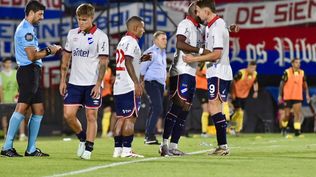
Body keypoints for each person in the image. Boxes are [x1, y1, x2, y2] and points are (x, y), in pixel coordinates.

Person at [1, 0, 61, 157]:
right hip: (28, 72)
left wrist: (47, 50)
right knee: (21, 107)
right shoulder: (26, 30)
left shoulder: (28, 28)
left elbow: (33, 54)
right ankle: (7, 147)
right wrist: (50, 50)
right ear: (32, 12)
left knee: (39, 110)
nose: (42, 17)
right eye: (40, 14)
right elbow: (32, 56)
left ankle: (31, 149)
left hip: (32, 72)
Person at [159, 1, 211, 156]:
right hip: (180, 71)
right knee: (177, 105)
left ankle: (174, 146)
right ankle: (164, 145)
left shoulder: (198, 29)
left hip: (191, 72)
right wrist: (200, 50)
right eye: (202, 11)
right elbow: (180, 43)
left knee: (185, 108)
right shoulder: (185, 23)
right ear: (196, 11)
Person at [59, 3, 109, 160]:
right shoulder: (72, 34)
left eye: (84, 20)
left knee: (91, 116)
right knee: (68, 115)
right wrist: (62, 80)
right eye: (79, 19)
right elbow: (66, 58)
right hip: (74, 83)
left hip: (92, 84)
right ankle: (82, 137)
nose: (81, 23)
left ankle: (89, 147)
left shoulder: (101, 36)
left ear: (92, 18)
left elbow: (103, 62)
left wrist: (98, 83)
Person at [183, 0, 232, 156]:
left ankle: (223, 146)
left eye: (198, 11)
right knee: (214, 107)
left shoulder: (217, 27)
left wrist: (194, 59)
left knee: (214, 106)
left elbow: (217, 54)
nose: (197, 14)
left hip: (218, 71)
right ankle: (222, 145)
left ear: (207, 11)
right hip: (215, 71)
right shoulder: (214, 25)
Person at [112, 16, 149, 158]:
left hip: (119, 85)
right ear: (135, 28)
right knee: (130, 118)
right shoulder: (132, 42)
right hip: (128, 85)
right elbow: (127, 61)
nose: (143, 30)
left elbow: (127, 60)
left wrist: (140, 59)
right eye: (142, 27)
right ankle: (127, 150)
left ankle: (118, 150)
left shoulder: (122, 41)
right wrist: (136, 82)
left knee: (121, 118)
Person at [140, 31, 167, 145]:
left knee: (154, 108)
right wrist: (140, 82)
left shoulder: (162, 52)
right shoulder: (150, 52)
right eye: (162, 39)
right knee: (157, 108)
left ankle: (148, 136)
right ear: (155, 40)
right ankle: (150, 134)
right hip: (151, 83)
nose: (165, 41)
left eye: (166, 39)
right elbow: (141, 67)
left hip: (159, 84)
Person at [278, 58, 310, 137]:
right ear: (292, 64)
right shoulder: (287, 72)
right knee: (287, 115)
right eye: (296, 62)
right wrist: (280, 95)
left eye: (299, 63)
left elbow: (305, 85)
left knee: (297, 114)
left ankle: (297, 131)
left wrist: (307, 94)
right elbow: (281, 84)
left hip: (297, 96)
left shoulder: (302, 73)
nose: (298, 64)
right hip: (288, 97)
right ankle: (284, 128)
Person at [0, 58, 27, 141]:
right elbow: (0, 88)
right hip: (5, 100)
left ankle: (22, 134)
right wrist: (2, 100)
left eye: (10, 63)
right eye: (7, 63)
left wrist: (19, 95)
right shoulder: (1, 74)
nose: (8, 64)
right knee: (4, 118)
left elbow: (20, 85)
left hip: (16, 100)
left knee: (20, 117)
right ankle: (6, 135)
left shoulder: (16, 73)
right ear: (3, 64)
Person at [230, 61, 258, 135]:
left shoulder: (255, 74)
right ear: (248, 67)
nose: (253, 70)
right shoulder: (240, 73)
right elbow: (232, 82)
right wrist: (232, 93)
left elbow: (255, 82)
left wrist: (256, 91)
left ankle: (233, 128)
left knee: (239, 113)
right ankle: (237, 129)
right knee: (240, 112)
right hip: (236, 95)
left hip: (244, 96)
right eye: (251, 68)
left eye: (254, 68)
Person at [195, 62, 212, 137]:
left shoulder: (209, 64)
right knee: (205, 109)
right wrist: (205, 74)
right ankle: (204, 132)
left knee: (208, 110)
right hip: (200, 89)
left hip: (207, 88)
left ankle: (206, 130)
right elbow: (196, 71)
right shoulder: (201, 62)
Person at [100, 67, 116, 138]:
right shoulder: (99, 68)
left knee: (112, 113)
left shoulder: (109, 69)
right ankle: (105, 133)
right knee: (108, 111)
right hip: (104, 93)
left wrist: (113, 79)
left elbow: (112, 79)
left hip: (109, 93)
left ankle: (108, 132)